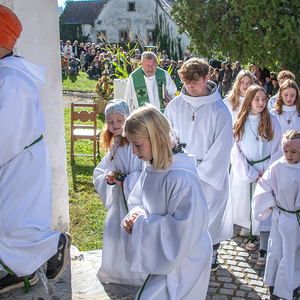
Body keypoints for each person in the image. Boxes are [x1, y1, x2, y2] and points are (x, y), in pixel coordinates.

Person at [0, 5, 71, 293]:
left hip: (17, 162)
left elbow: (5, 137)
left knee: (15, 224)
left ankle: (54, 245)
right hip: (16, 159)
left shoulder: (12, 82)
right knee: (12, 223)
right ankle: (15, 271)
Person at [123, 105, 212, 300]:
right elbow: (138, 200)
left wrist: (140, 225)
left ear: (158, 139)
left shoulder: (181, 178)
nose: (133, 151)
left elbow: (184, 228)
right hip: (168, 255)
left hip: (185, 259)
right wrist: (134, 216)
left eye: (137, 145)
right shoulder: (152, 166)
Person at [164, 57, 233, 271]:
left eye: (196, 82)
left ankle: (211, 251)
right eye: (187, 83)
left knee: (210, 214)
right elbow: (167, 135)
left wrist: (200, 173)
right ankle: (185, 252)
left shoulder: (219, 110)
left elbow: (222, 146)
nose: (191, 87)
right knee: (184, 213)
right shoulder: (175, 106)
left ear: (207, 78)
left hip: (209, 173)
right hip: (181, 169)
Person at [93, 100, 145, 285]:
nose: (114, 125)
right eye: (110, 122)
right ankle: (114, 272)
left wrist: (125, 180)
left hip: (131, 199)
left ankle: (135, 276)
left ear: (128, 120)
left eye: (119, 120)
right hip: (117, 200)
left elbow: (143, 172)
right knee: (112, 229)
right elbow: (102, 169)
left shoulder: (133, 143)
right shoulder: (114, 143)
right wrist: (108, 177)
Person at [231, 85, 282, 265]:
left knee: (266, 205)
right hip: (250, 171)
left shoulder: (272, 121)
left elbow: (278, 148)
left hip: (267, 169)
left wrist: (267, 172)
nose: (261, 103)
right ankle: (252, 235)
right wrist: (251, 173)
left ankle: (264, 246)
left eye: (264, 99)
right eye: (257, 99)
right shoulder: (240, 122)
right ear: (249, 100)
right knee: (249, 206)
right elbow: (235, 151)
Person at [252, 130, 300, 300]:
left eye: (293, 152)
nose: (288, 155)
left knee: (292, 255)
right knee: (276, 251)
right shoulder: (277, 166)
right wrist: (268, 204)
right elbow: (264, 187)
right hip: (280, 217)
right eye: (286, 151)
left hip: (296, 220)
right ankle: (273, 289)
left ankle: (291, 288)